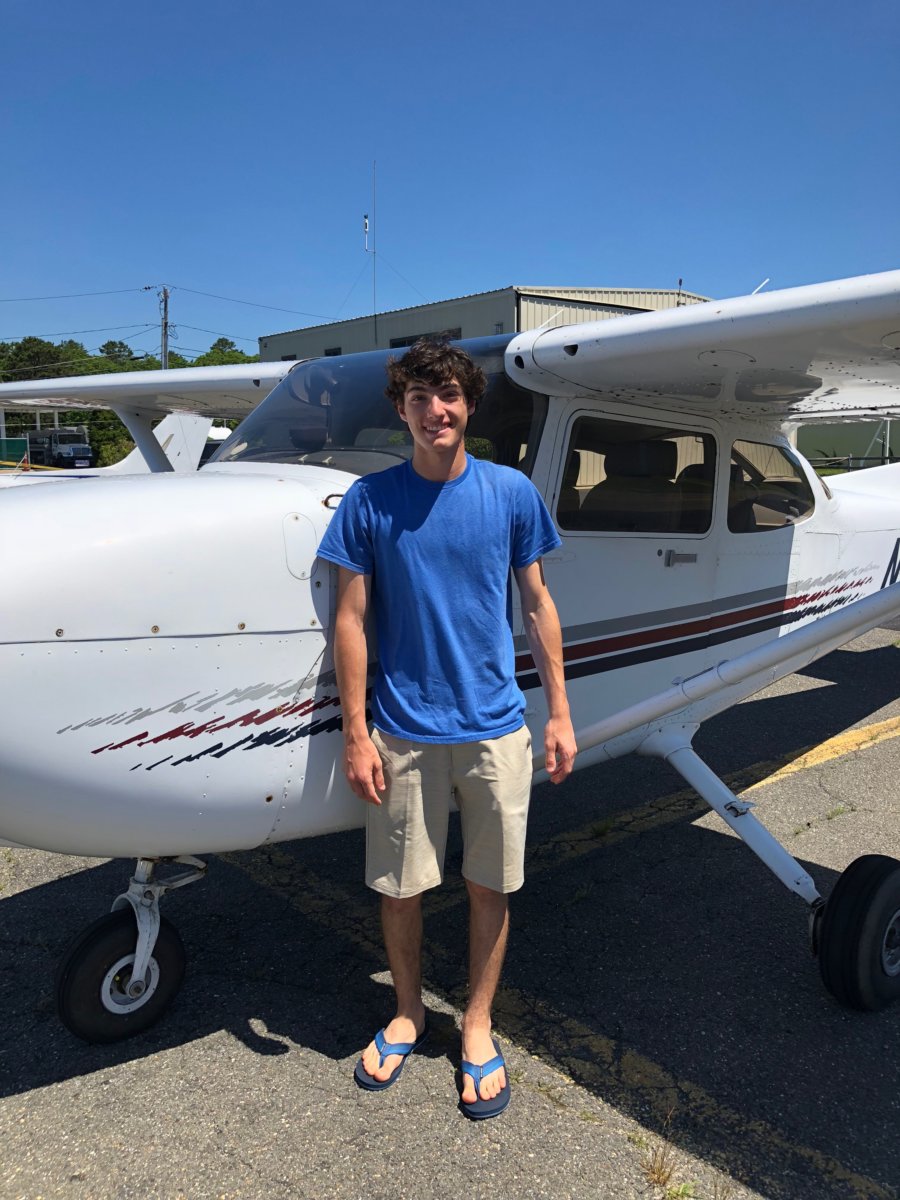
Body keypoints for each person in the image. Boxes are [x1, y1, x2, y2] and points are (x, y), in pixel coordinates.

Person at [316, 338, 576, 1120]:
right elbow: (351, 621)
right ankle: (406, 1011)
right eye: (422, 397)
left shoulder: (511, 494)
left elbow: (536, 605)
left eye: (452, 395)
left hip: (496, 727)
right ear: (402, 411)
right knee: (401, 890)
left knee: (489, 884)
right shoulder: (369, 502)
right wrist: (356, 734)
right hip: (401, 731)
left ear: (470, 406)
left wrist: (559, 712)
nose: (439, 409)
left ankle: (477, 1022)